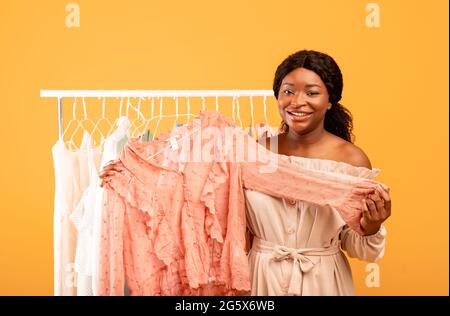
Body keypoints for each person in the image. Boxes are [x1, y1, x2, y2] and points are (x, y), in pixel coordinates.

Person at [99, 49, 391, 295]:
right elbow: (191, 186)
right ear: (277, 96)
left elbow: (358, 247)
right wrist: (131, 172)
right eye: (288, 92)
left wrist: (373, 225)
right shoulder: (252, 151)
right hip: (260, 280)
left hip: (324, 282)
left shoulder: (351, 160)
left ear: (330, 100)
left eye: (311, 93)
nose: (297, 102)